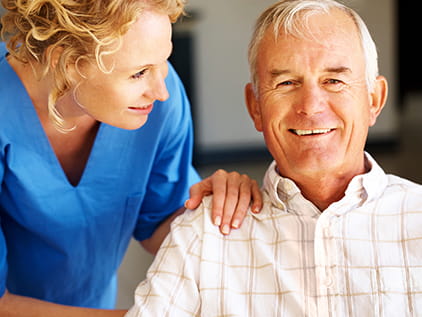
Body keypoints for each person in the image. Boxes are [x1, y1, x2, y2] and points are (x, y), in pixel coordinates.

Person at [125, 0, 422, 316]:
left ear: (374, 100)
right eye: (287, 83)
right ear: (255, 107)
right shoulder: (203, 232)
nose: (310, 105)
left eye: (334, 81)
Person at [0, 0, 263, 316]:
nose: (160, 90)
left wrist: (217, 212)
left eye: (163, 62)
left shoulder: (159, 106)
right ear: (65, 62)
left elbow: (160, 223)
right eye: (138, 73)